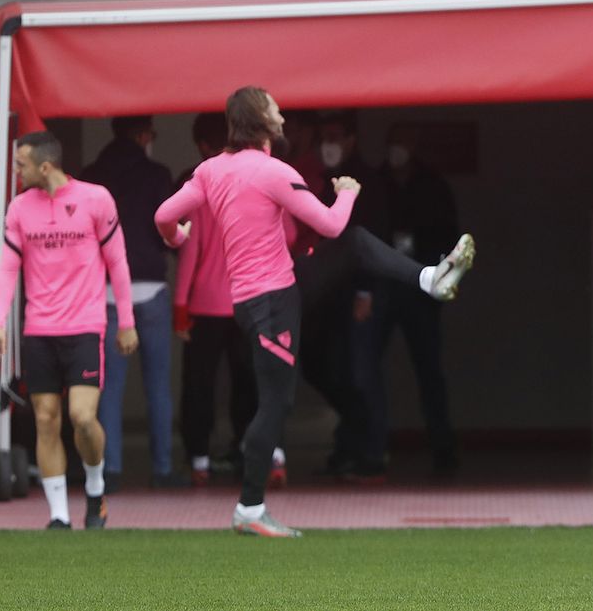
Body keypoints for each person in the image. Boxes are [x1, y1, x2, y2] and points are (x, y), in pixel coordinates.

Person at [154, 87, 474, 537]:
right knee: (275, 404)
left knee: (356, 246)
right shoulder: (272, 171)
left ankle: (429, 279)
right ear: (260, 120)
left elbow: (163, 216)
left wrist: (177, 238)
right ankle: (248, 509)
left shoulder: (209, 171)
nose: (281, 112)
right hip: (270, 304)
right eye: (273, 106)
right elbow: (330, 223)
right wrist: (345, 192)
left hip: (272, 292)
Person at [0, 131, 138, 529]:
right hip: (39, 330)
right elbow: (7, 269)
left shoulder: (96, 199)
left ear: (45, 166)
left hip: (86, 326)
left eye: (21, 165)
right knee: (46, 418)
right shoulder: (19, 208)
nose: (16, 172)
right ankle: (57, 515)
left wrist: (126, 322)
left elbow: (118, 261)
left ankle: (94, 490)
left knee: (83, 417)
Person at [352, 124, 460, 478]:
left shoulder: (432, 184)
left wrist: (439, 280)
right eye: (394, 142)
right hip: (382, 287)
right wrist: (364, 289)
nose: (399, 149)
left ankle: (443, 451)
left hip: (420, 291)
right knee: (365, 368)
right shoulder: (377, 182)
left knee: (430, 371)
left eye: (405, 142)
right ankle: (370, 450)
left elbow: (450, 234)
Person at [81, 115, 178, 491]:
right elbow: (166, 226)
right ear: (141, 136)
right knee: (158, 384)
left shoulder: (90, 174)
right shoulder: (157, 174)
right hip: (150, 286)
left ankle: (110, 469)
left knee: (109, 387)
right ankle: (163, 468)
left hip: (104, 289)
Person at [173, 112, 260, 487]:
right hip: (249, 301)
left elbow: (189, 252)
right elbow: (287, 234)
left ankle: (200, 459)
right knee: (251, 381)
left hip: (205, 306)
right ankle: (254, 450)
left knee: (200, 384)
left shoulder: (200, 188)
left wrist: (180, 306)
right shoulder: (256, 183)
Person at [301, 111, 386, 480]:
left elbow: (373, 239)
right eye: (323, 136)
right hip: (326, 292)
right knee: (320, 366)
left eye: (334, 136)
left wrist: (367, 291)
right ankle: (349, 443)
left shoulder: (368, 180)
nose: (328, 143)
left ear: (351, 138)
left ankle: (370, 454)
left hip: (357, 292)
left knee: (360, 373)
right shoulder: (318, 180)